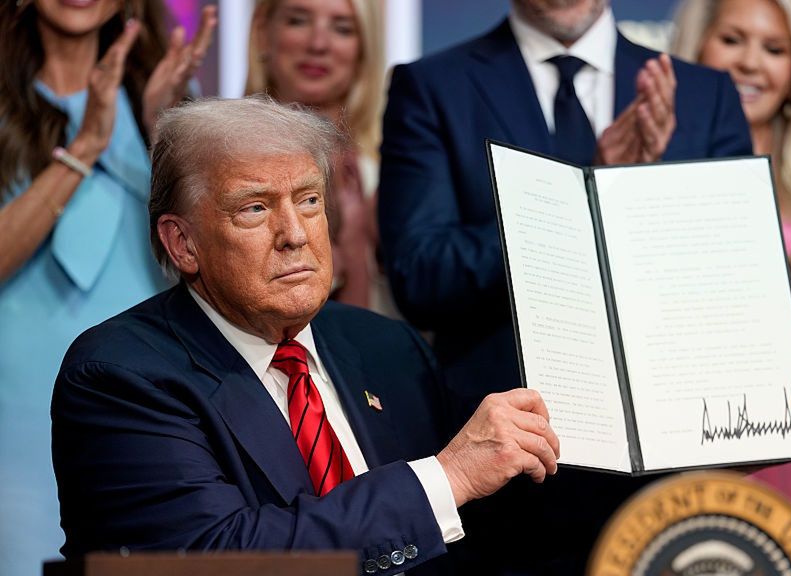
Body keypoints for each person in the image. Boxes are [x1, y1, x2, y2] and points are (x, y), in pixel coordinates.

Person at [378, 0, 791, 572]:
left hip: (669, 497)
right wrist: (578, 190)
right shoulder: (433, 85)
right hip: (506, 489)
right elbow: (420, 274)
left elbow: (724, 284)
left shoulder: (701, 93)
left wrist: (775, 400)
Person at [51, 97, 563, 576]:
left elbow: (473, 532)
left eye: (309, 200)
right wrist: (445, 477)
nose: (294, 233)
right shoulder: (120, 377)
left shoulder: (389, 348)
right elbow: (217, 557)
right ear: (183, 243)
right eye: (254, 208)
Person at [0, 2, 215, 574]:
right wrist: (85, 148)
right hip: (15, 403)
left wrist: (163, 132)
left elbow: (206, 260)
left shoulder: (164, 89)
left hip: (147, 391)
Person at [671, 0, 791, 555]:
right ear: (697, 47)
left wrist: (784, 292)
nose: (751, 63)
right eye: (732, 40)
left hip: (778, 461)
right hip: (664, 458)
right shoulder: (645, 167)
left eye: (775, 49)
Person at [246, 0, 391, 314]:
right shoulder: (221, 167)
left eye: (342, 29)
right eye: (298, 21)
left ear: (364, 49)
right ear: (262, 33)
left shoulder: (390, 173)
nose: (318, 44)